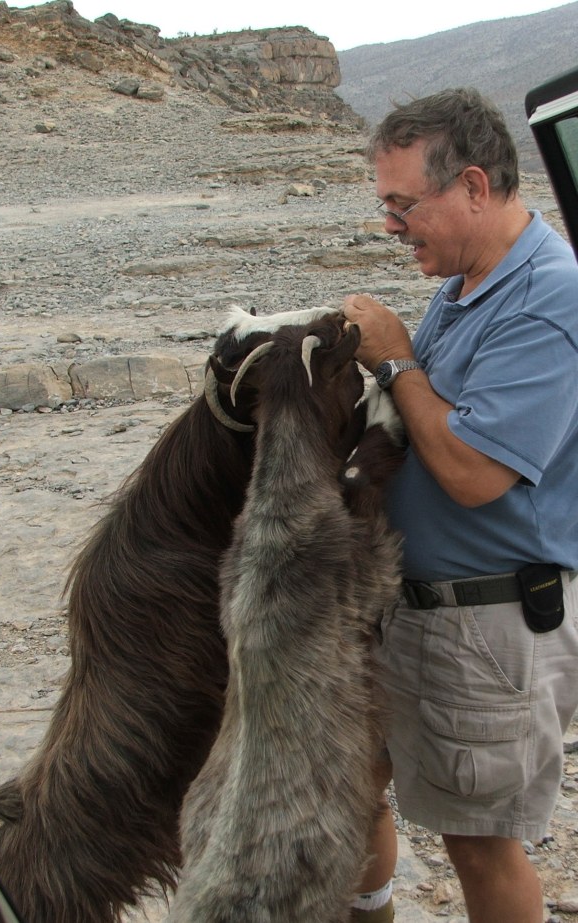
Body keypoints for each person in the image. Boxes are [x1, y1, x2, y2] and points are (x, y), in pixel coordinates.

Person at [343, 87, 578, 923]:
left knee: (480, 841)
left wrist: (396, 358)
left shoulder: (549, 297)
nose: (391, 226)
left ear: (474, 186)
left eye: (403, 204)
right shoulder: (469, 281)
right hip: (412, 608)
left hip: (485, 621)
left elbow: (475, 473)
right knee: (349, 783)